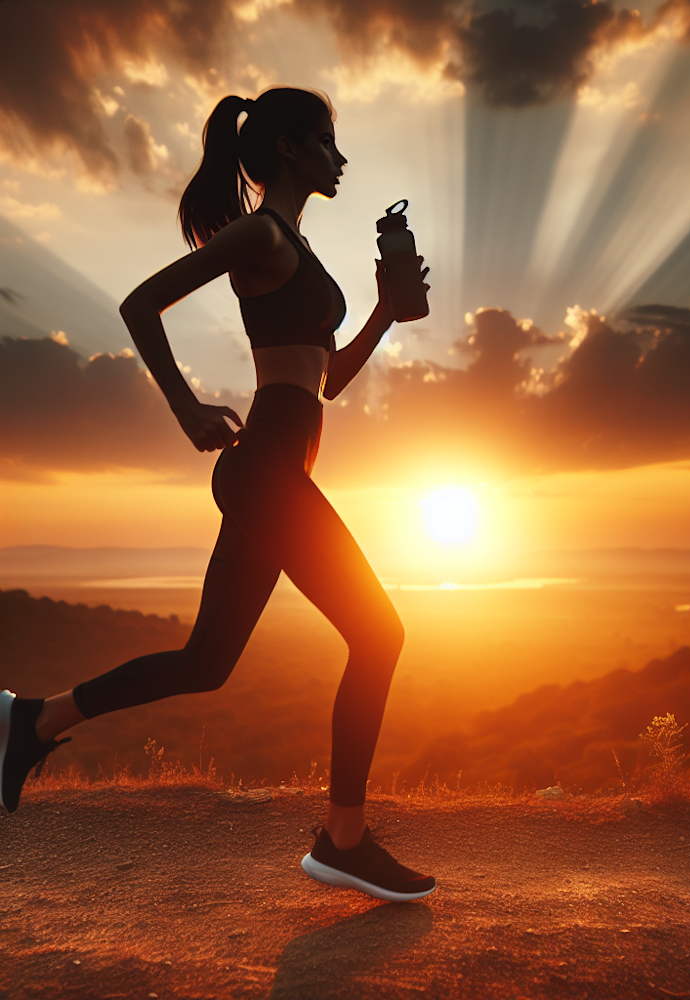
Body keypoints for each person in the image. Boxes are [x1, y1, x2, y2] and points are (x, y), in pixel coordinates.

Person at [0, 86, 435, 903]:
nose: (340, 158)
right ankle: (343, 840)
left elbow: (326, 381)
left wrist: (381, 313)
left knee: (207, 663)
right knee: (380, 635)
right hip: (266, 468)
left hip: (278, 471)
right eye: (326, 142)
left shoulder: (296, 249)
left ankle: (34, 721)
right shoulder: (262, 233)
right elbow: (140, 304)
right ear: (288, 153)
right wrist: (184, 404)